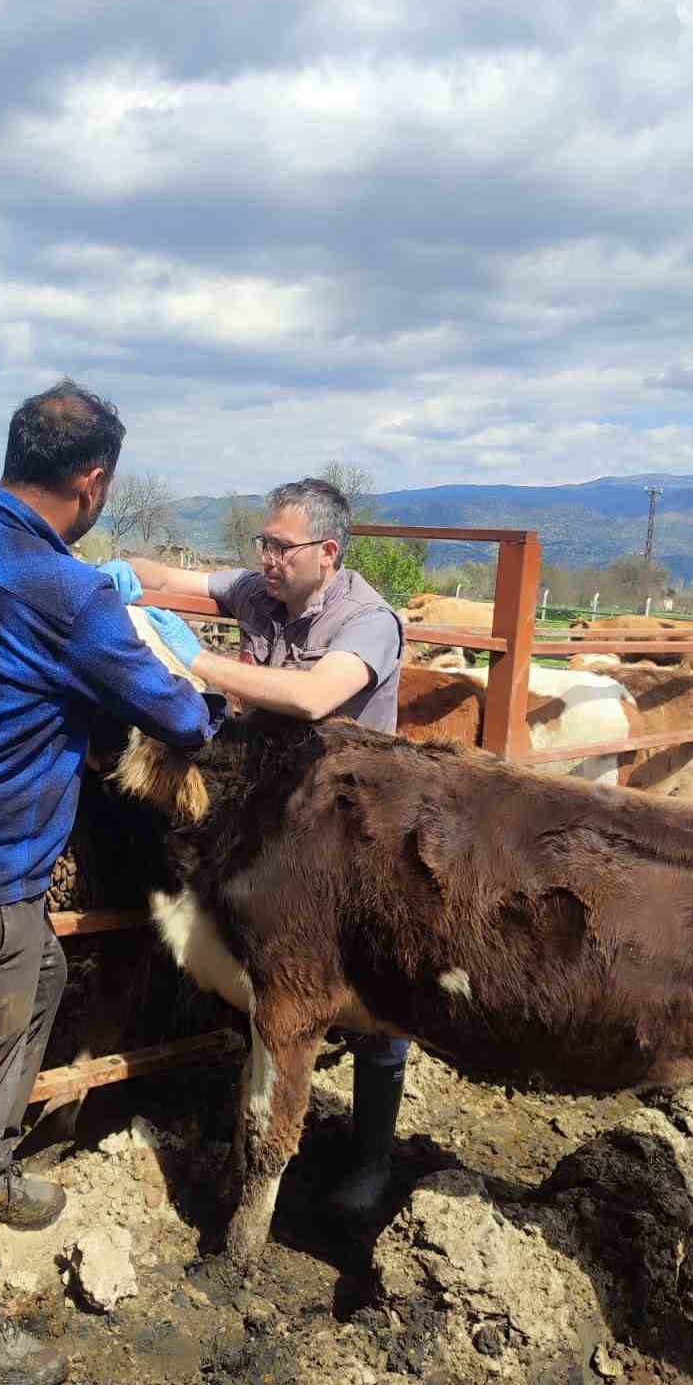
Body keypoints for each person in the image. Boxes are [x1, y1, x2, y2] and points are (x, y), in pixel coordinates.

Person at [0, 381, 225, 1385]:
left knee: (47, 978)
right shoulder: (68, 590)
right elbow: (181, 720)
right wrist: (181, 669)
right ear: (93, 479)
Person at [117, 476, 406, 1226]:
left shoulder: (368, 621)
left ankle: (373, 1157)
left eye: (281, 547)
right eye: (262, 543)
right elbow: (174, 578)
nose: (266, 559)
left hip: (355, 822)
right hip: (270, 810)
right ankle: (239, 1105)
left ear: (328, 552)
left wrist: (197, 661)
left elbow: (316, 697)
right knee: (257, 959)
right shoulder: (258, 590)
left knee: (375, 982)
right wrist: (112, 574)